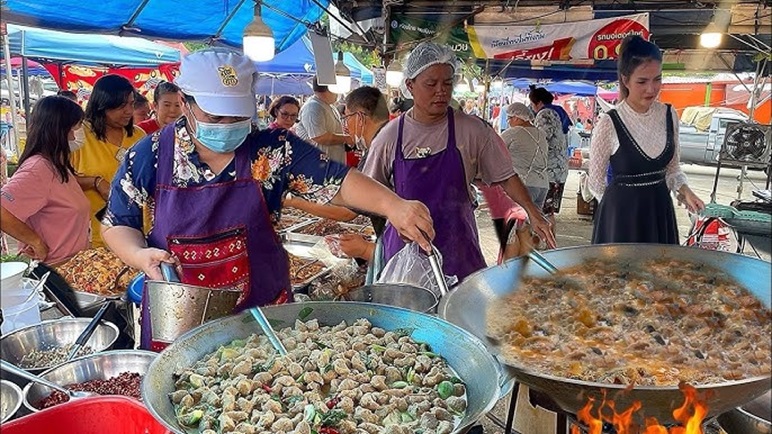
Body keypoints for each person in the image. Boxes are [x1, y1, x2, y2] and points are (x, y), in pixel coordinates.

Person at [99, 50, 434, 351]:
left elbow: (338, 181)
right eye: (216, 118)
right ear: (185, 103)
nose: (228, 126)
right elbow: (118, 224)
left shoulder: (272, 148)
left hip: (262, 318)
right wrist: (140, 255)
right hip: (181, 318)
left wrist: (394, 205)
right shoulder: (151, 154)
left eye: (236, 117)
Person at [363, 42, 555, 282]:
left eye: (447, 83)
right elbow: (368, 192)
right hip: (406, 254)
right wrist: (391, 213)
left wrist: (533, 212)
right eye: (431, 84)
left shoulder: (473, 130)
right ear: (410, 86)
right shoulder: (390, 136)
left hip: (458, 247)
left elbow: (506, 176)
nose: (441, 91)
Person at [589, 35, 704, 244]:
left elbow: (673, 169)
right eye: (642, 81)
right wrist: (615, 215)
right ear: (625, 80)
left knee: (661, 272)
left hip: (660, 212)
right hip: (622, 219)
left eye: (657, 79)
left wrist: (685, 191)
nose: (651, 89)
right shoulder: (609, 122)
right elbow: (595, 183)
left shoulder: (670, 115)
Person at [0, 96, 89, 264]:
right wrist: (35, 241)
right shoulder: (38, 169)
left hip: (71, 266)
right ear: (60, 129)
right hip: (51, 271)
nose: (78, 133)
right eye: (77, 126)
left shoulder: (57, 165)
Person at [71, 74, 146, 247]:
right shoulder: (78, 134)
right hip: (91, 237)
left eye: (131, 104)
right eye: (121, 106)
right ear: (102, 105)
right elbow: (58, 178)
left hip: (133, 234)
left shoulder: (138, 136)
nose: (129, 111)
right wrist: (94, 182)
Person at [530, 87, 569, 233]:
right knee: (549, 211)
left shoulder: (545, 114)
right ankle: (549, 243)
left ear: (538, 102)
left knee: (545, 211)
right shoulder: (558, 112)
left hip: (550, 171)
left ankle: (548, 243)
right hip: (559, 169)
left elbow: (540, 139)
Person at [293, 77, 354, 164]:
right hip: (318, 165)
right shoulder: (313, 107)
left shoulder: (330, 106)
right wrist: (346, 138)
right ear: (329, 88)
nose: (338, 93)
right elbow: (320, 137)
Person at [502, 102, 550, 209]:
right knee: (534, 221)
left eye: (509, 118)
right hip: (542, 184)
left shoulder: (512, 133)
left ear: (517, 118)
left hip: (523, 184)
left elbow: (494, 153)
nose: (509, 122)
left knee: (517, 222)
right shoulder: (541, 133)